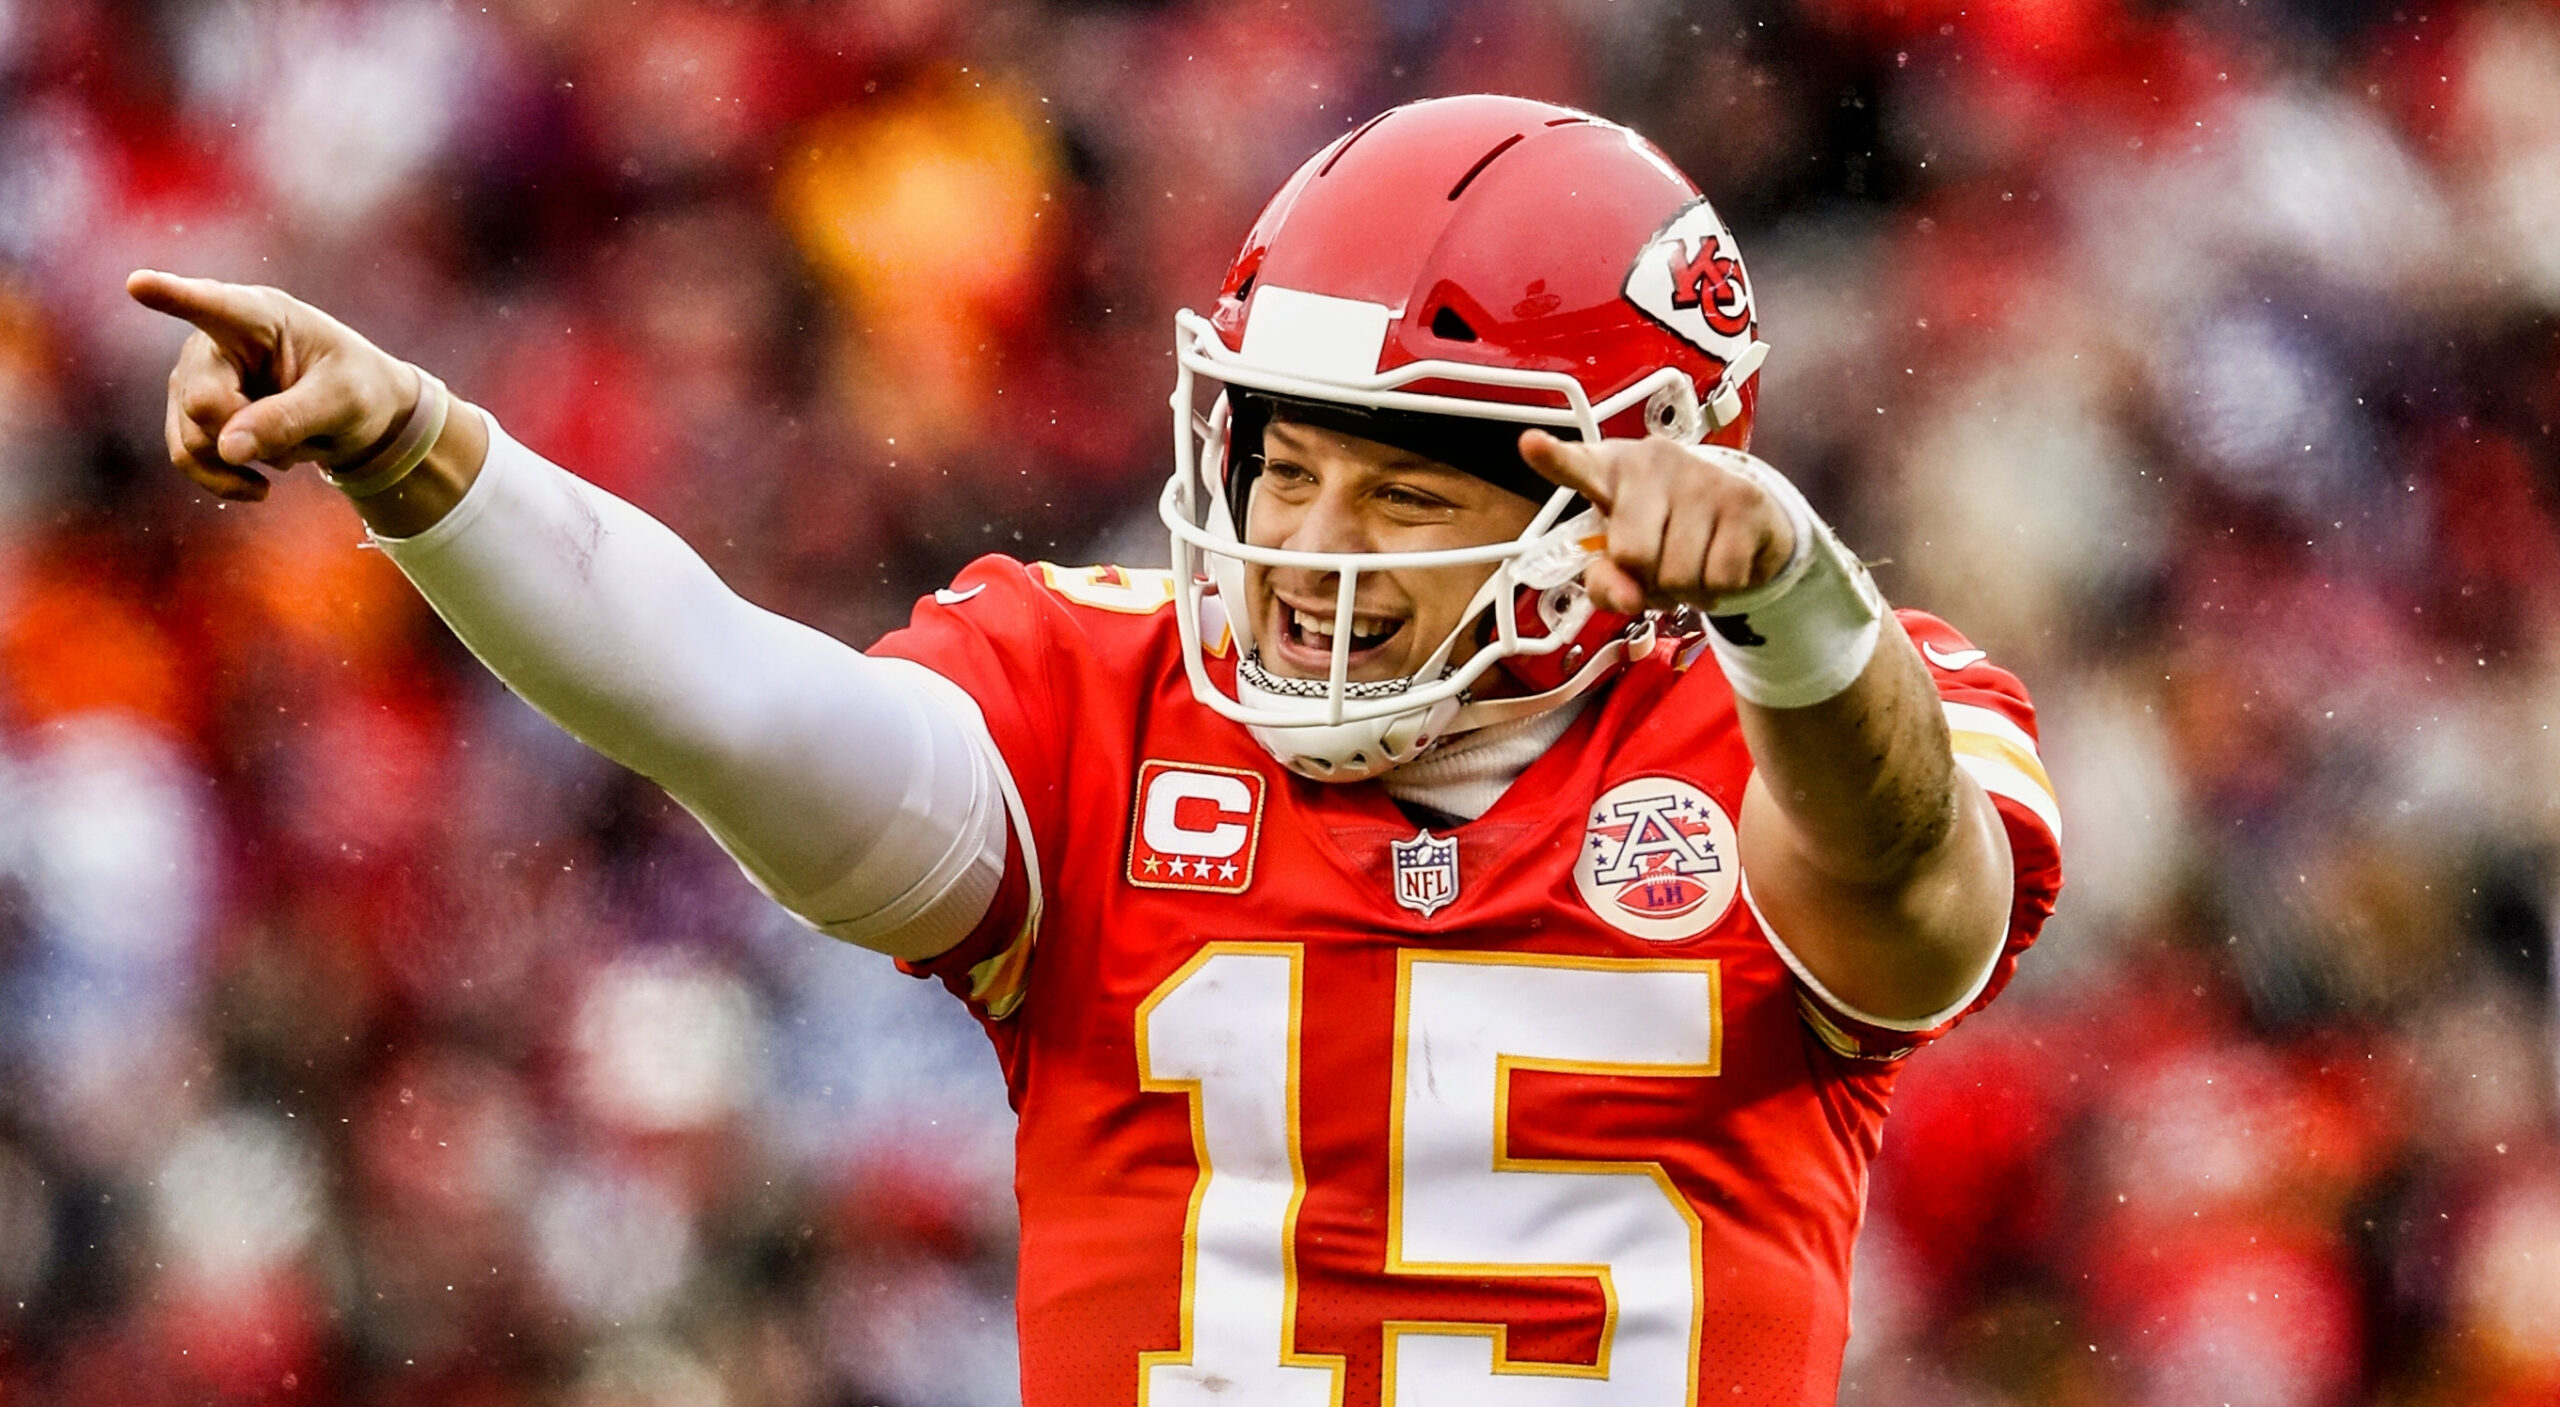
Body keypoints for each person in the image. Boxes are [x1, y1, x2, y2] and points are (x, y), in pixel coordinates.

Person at [135, 94, 2059, 1407]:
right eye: (1281, 463)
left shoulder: (1800, 725)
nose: (1303, 546)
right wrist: (414, 451)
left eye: (1399, 492)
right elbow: (726, 700)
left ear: (1645, 483)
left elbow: (1914, 907)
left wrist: (1803, 611)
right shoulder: (1095, 699)